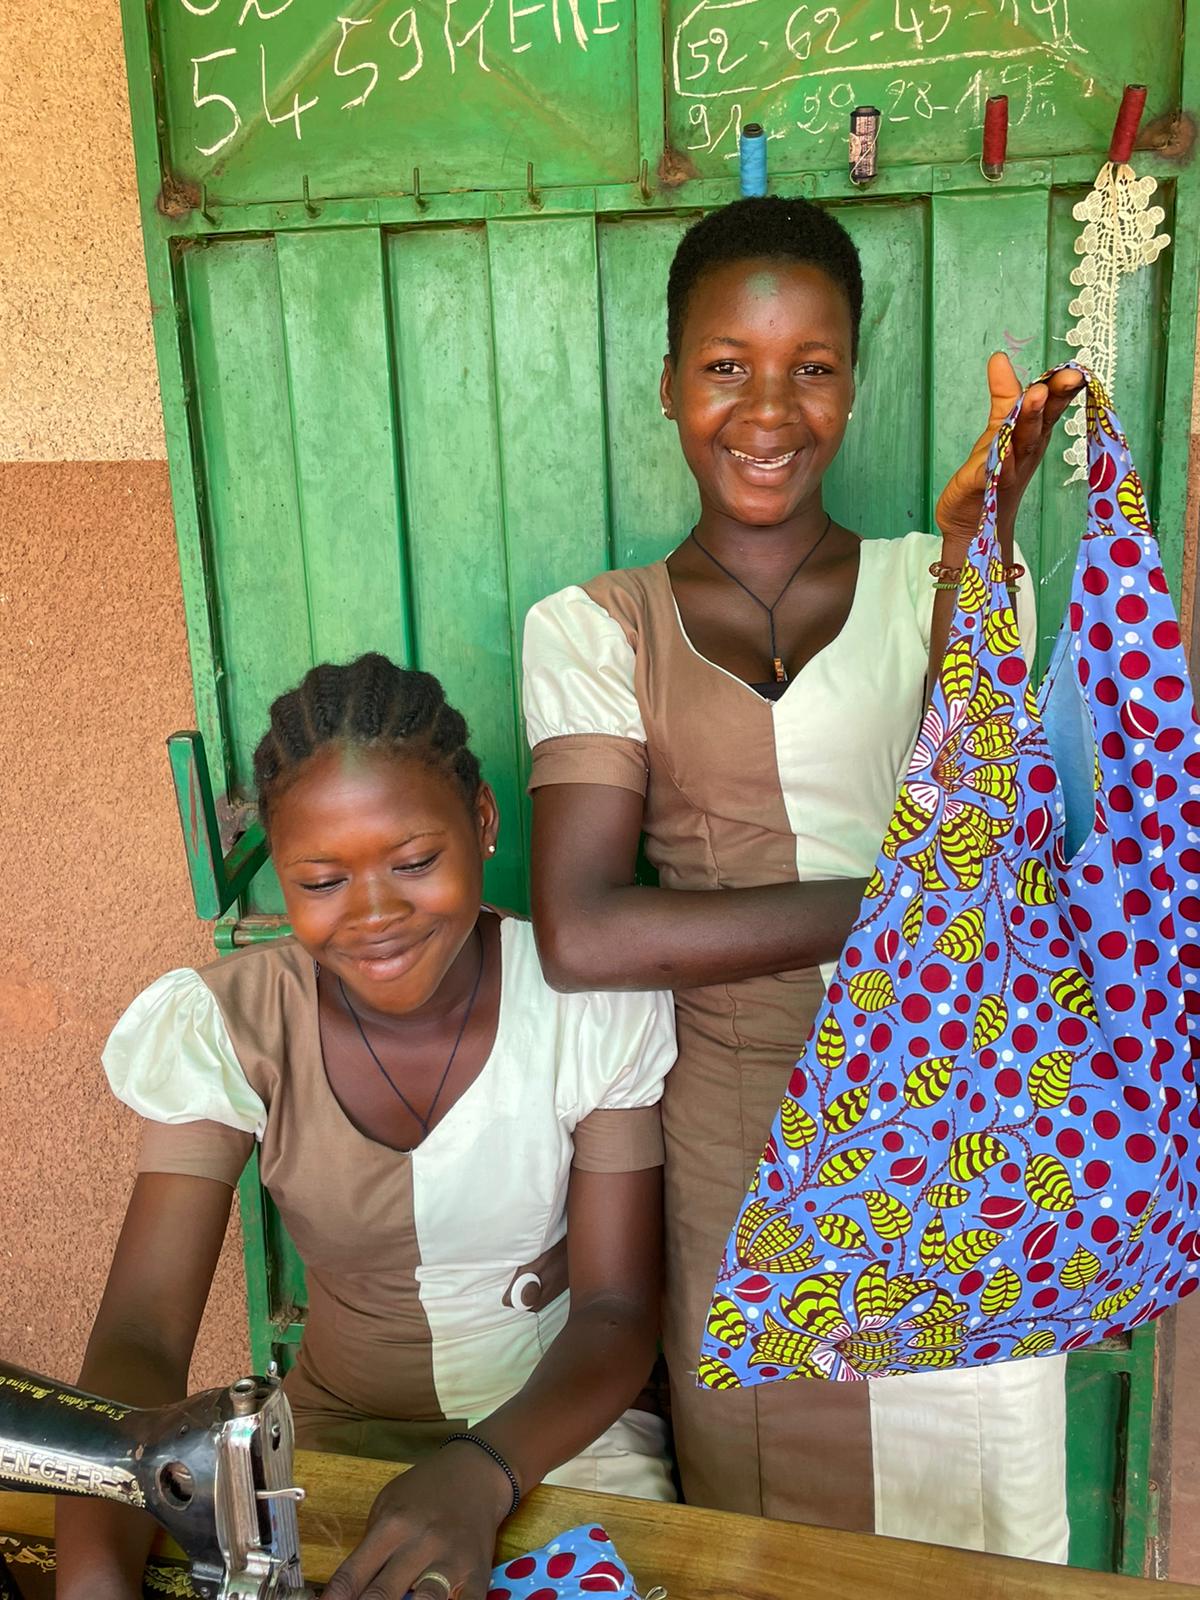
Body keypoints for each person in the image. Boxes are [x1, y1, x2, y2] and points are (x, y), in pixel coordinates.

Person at [522, 196, 1083, 1559]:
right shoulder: (596, 628)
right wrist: (901, 908)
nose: (767, 408)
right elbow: (585, 933)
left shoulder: (935, 581)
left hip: (960, 1137)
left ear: (852, 383)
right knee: (766, 1538)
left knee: (978, 1522)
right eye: (725, 365)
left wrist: (981, 553)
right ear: (667, 384)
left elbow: (997, 832)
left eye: (811, 367)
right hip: (741, 1158)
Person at [56, 654, 676, 1600]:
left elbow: (615, 1312)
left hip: (556, 1434)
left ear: (483, 822)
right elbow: (141, 1332)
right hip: (334, 1437)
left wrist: (484, 1472)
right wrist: (92, 1575)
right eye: (321, 880)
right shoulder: (236, 1027)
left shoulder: (583, 1007)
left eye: (415, 862)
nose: (376, 915)